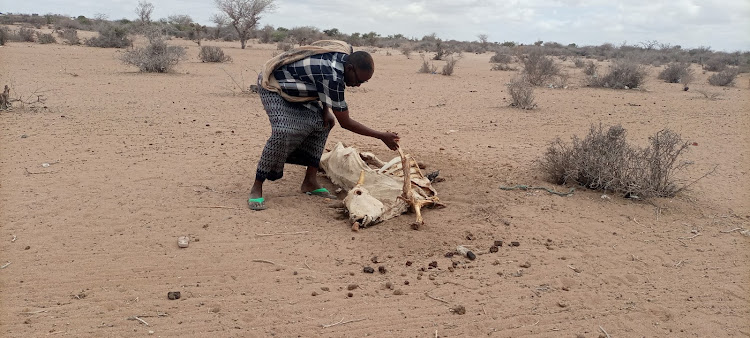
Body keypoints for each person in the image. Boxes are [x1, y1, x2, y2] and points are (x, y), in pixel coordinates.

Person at [248, 40, 400, 211]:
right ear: (349, 68)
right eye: (358, 80)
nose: (358, 85)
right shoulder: (332, 76)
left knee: (323, 124)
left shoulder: (345, 56)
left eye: (363, 83)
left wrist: (326, 110)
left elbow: (324, 86)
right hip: (275, 85)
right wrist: (381, 136)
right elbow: (346, 122)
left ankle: (310, 182)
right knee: (282, 131)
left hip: (304, 87)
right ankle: (257, 187)